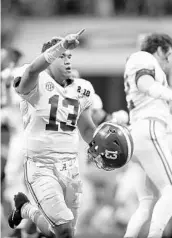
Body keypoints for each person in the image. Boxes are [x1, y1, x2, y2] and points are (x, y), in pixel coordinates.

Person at [124, 33, 172, 238]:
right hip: (149, 128)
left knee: (146, 203)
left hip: (140, 133)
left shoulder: (144, 61)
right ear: (161, 50)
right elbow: (145, 84)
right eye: (169, 55)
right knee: (170, 190)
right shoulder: (145, 58)